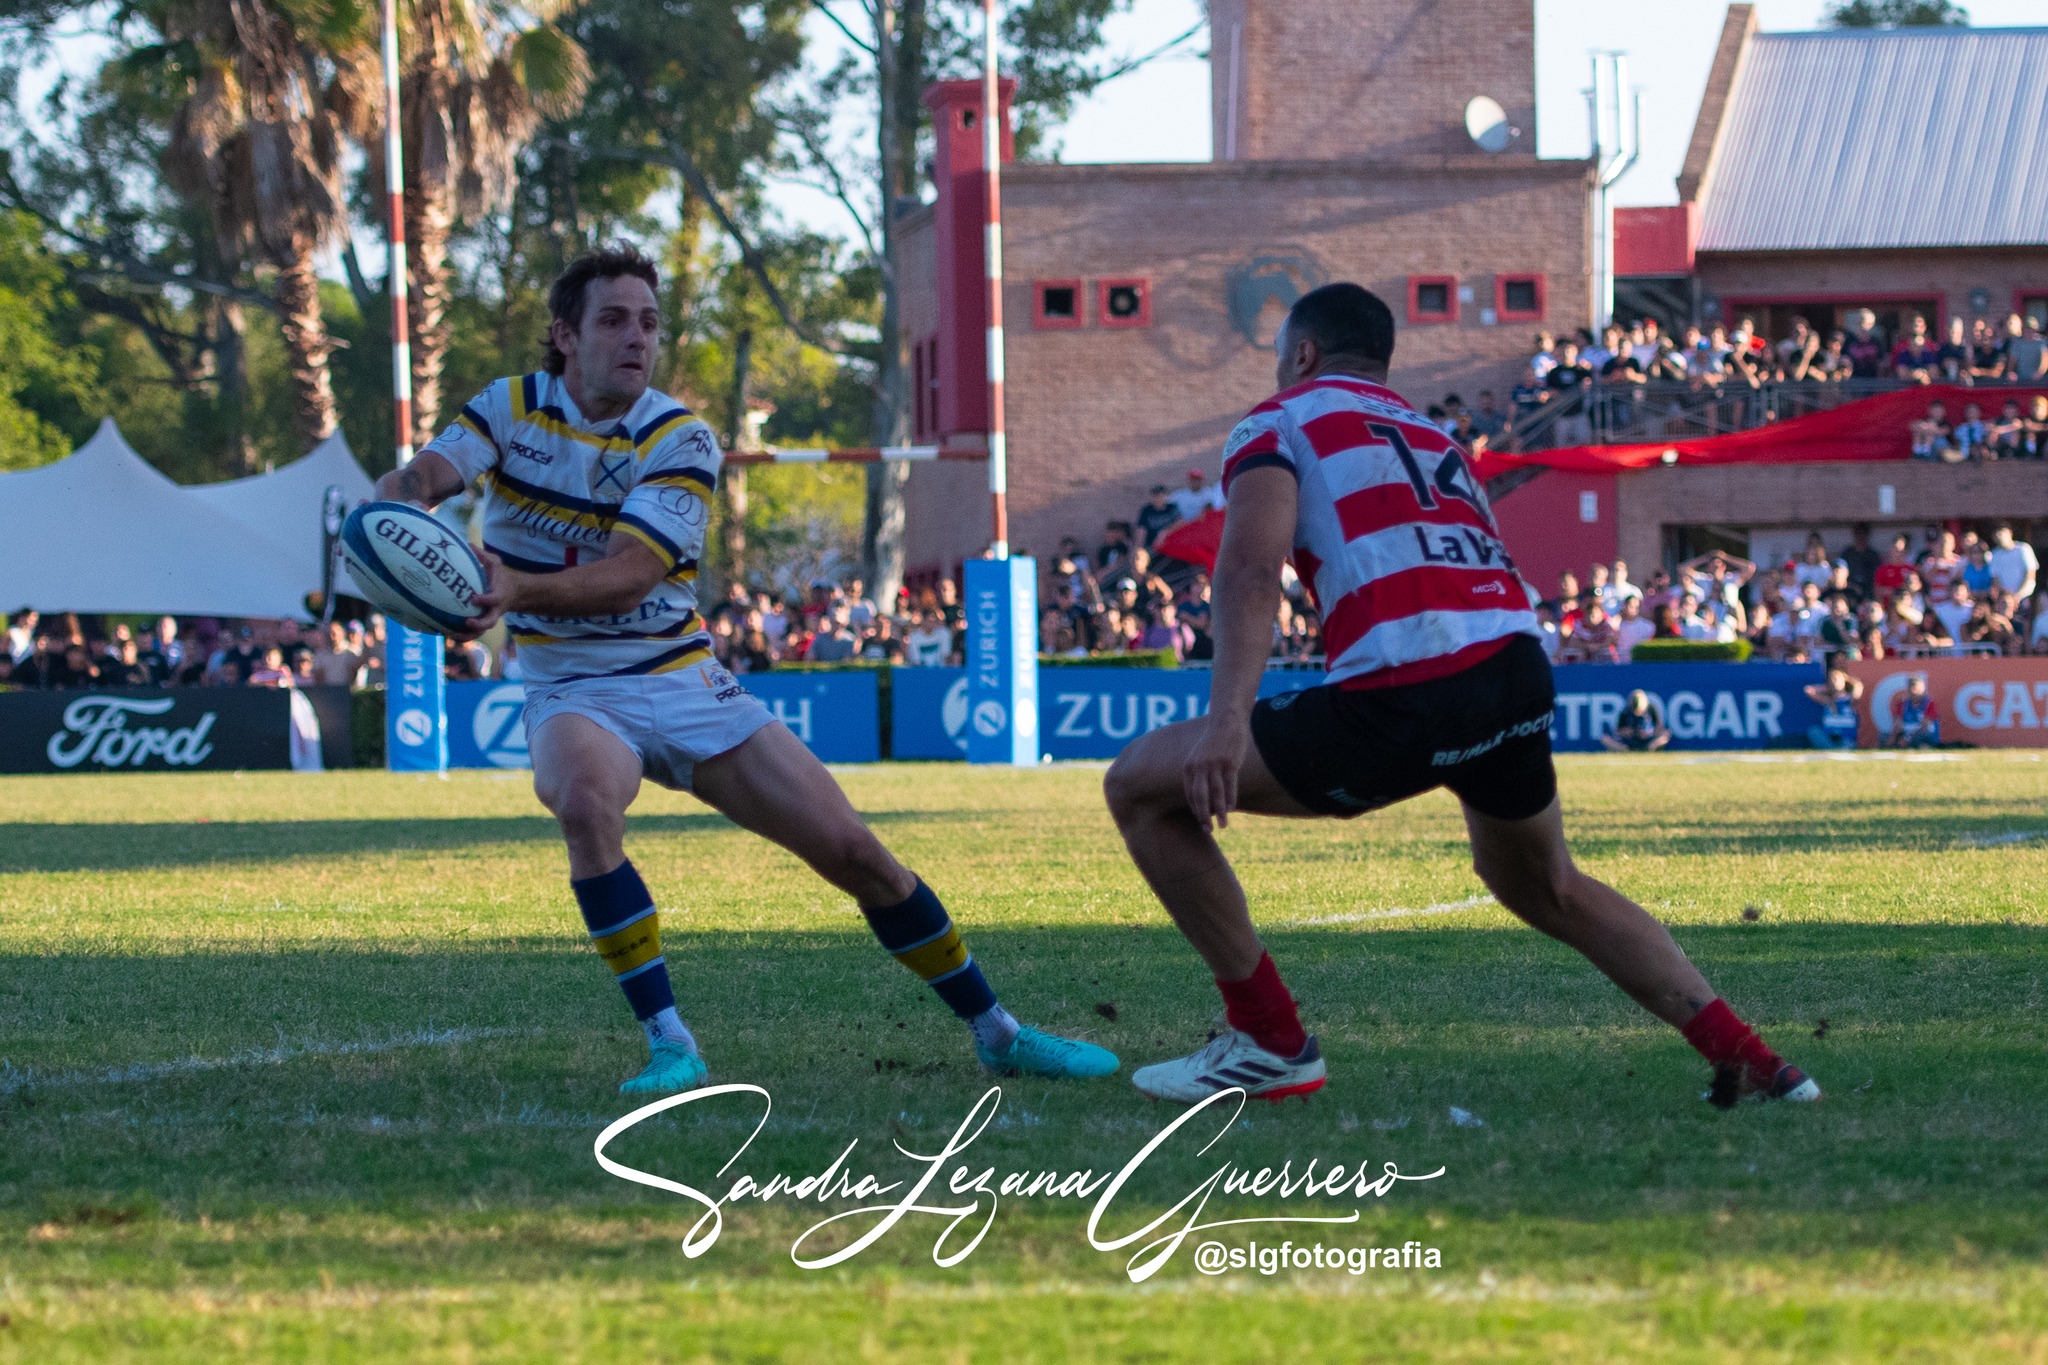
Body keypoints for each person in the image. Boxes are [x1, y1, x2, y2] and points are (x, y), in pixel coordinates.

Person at [377, 245, 1115, 1096]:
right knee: (584, 802)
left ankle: (998, 1030)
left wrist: (512, 586)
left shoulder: (681, 435)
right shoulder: (509, 407)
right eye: (614, 320)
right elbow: (426, 475)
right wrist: (397, 509)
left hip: (680, 676)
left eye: (649, 323)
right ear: (565, 335)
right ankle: (670, 1042)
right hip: (570, 687)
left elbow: (631, 575)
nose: (637, 339)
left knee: (857, 853)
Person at [1099, 283, 1817, 1111]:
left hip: (1409, 684)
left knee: (1140, 788)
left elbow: (1251, 568)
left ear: (1302, 354)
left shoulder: (1278, 420)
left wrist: (1226, 723)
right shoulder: (1431, 431)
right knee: (1542, 882)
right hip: (1512, 668)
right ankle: (1763, 1064)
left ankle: (1271, 1042)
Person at [1805, 669, 1863, 750]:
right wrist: (1827, 688)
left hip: (1846, 739)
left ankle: (1839, 750)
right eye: (1831, 679)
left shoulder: (1850, 700)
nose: (1834, 682)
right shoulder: (1828, 701)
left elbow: (1858, 686)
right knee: (1813, 731)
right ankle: (1833, 750)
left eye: (1836, 679)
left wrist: (1847, 680)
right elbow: (1808, 690)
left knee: (1846, 744)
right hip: (1830, 738)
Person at [1602, 690, 1670, 752]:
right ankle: (1625, 750)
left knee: (1665, 735)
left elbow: (1660, 727)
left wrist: (1649, 732)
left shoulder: (1651, 709)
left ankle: (1648, 749)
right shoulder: (1625, 712)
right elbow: (1617, 731)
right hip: (1629, 742)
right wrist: (1626, 732)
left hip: (1648, 741)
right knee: (1605, 739)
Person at [1989, 524, 2039, 601]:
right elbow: (1996, 579)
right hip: (2006, 599)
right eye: (1996, 534)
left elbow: (2030, 575)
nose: (1999, 537)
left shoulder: (2024, 549)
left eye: (2001, 533)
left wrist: (2018, 596)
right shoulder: (1995, 554)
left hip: (2025, 597)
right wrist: (2007, 596)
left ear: (2010, 533)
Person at [1888, 675, 1941, 748]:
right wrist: (1892, 737)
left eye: (1916, 688)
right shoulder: (1902, 704)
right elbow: (1898, 724)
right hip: (1906, 734)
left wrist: (1908, 738)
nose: (1914, 691)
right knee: (1883, 737)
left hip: (1924, 735)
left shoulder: (1929, 704)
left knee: (1919, 740)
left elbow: (1924, 726)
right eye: (1912, 688)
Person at [1135, 485, 1181, 549]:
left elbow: (1180, 523)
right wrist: (1139, 547)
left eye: (1160, 496)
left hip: (1169, 544)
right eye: (1155, 496)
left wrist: (1165, 532)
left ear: (1166, 497)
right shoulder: (1147, 510)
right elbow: (1142, 529)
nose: (1157, 499)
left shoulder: (1171, 509)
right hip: (1151, 545)